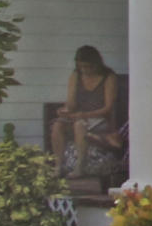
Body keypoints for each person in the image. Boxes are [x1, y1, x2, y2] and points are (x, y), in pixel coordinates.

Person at [49, 45, 125, 181]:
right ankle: (58, 166)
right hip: (79, 115)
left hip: (99, 118)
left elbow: (108, 107)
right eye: (82, 67)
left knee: (80, 125)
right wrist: (65, 110)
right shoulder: (76, 75)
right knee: (57, 125)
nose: (85, 70)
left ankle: (79, 167)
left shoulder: (108, 77)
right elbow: (71, 102)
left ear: (96, 64)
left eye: (88, 67)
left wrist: (83, 115)